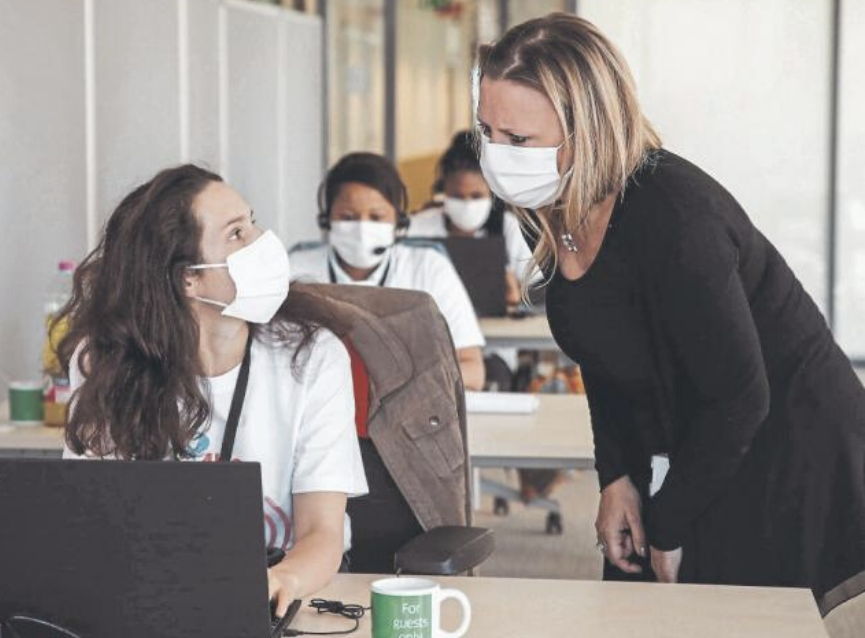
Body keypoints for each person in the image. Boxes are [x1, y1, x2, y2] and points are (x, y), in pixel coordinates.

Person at [476, 12, 865, 623]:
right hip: (691, 431)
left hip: (786, 440)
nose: (496, 158)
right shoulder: (548, 206)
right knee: (639, 607)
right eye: (486, 132)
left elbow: (741, 397)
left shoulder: (675, 219)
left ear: (587, 131)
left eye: (518, 140)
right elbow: (602, 355)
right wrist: (615, 476)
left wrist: (669, 522)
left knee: (725, 615)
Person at [56, 164, 368, 617]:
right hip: (149, 596)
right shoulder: (106, 360)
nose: (263, 241)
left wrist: (281, 581)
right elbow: (93, 518)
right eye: (237, 234)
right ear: (188, 277)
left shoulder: (313, 355)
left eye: (252, 222)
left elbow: (323, 532)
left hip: (280, 588)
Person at [289, 152, 486, 391]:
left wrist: (399, 386)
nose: (362, 228)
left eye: (376, 217)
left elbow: (473, 370)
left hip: (409, 405)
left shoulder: (429, 268)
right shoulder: (297, 271)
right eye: (348, 217)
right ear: (326, 219)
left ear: (398, 222)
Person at [408, 130, 542, 306]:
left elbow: (538, 289)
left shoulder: (507, 227)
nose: (467, 204)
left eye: (476, 196)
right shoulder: (418, 227)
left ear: (492, 193)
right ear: (443, 192)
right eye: (457, 196)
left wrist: (518, 295)